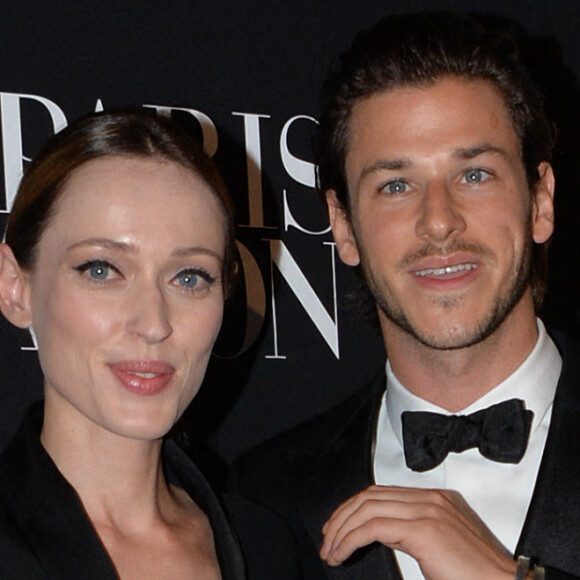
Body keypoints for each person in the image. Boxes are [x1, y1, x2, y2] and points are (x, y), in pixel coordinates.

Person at [226, 12, 580, 580]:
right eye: (395, 185)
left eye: (475, 174)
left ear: (540, 202)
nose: (439, 222)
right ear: (342, 227)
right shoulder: (264, 500)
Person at [0, 109, 245, 579]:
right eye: (101, 270)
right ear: (16, 287)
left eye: (189, 277)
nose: (153, 323)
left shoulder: (269, 543)